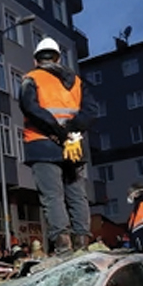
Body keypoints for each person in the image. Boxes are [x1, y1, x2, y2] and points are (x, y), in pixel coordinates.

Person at [19, 37, 99, 254]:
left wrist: (57, 132)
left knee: (53, 196)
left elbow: (31, 109)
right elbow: (91, 111)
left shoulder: (31, 78)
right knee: (76, 195)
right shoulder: (76, 82)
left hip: (43, 145)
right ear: (58, 58)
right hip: (73, 147)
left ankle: (63, 246)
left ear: (36, 60)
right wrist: (71, 130)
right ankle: (82, 242)